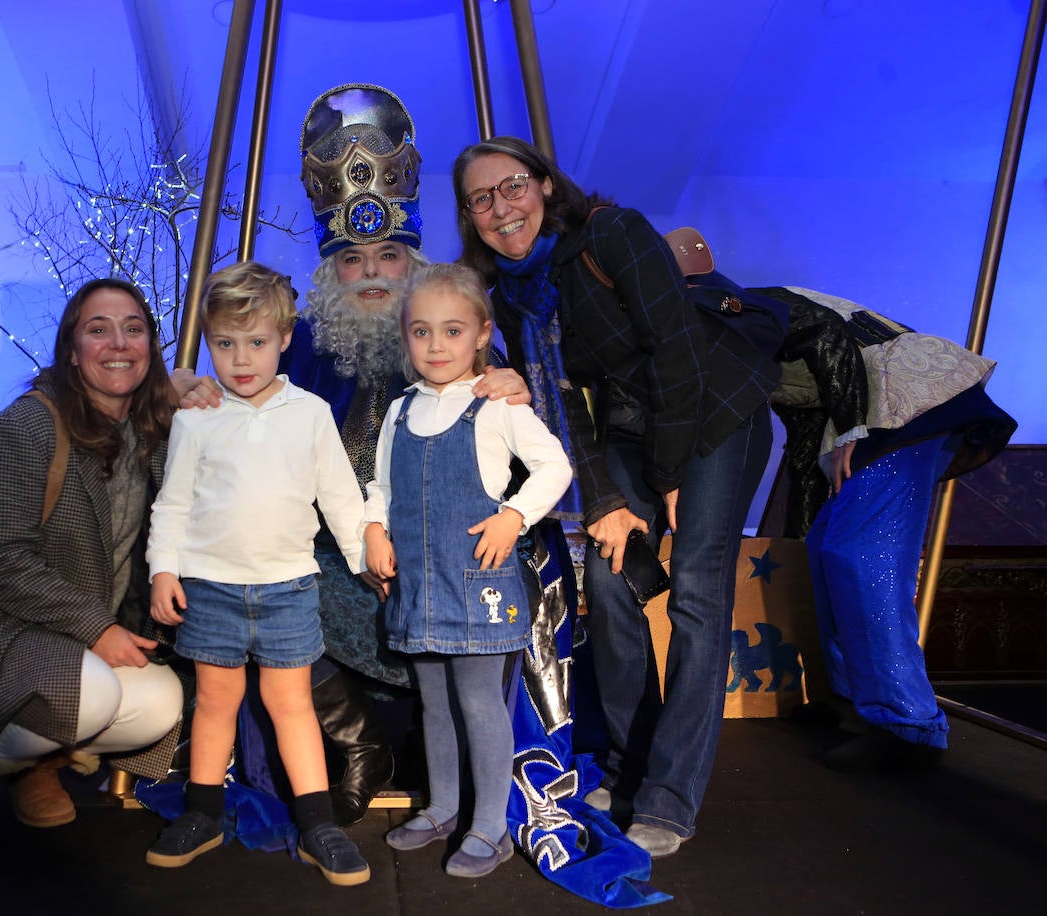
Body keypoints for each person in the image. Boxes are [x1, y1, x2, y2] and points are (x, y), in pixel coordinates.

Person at [453, 136, 778, 858]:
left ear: (543, 184)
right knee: (609, 576)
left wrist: (666, 480)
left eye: (511, 187)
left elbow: (677, 350)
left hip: (715, 410)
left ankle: (670, 796)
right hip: (635, 430)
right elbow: (561, 403)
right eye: (481, 199)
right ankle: (630, 769)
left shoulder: (611, 233)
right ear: (470, 216)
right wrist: (604, 504)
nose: (501, 208)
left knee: (695, 589)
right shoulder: (510, 294)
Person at [235, 83, 531, 827]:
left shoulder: (462, 350)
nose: (371, 274)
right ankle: (359, 739)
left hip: (446, 569)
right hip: (333, 568)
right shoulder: (294, 349)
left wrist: (511, 384)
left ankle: (468, 789)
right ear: (328, 274)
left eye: (390, 256)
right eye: (353, 259)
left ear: (416, 264)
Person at [0, 277, 205, 859]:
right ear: (71, 350)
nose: (118, 343)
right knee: (92, 695)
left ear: (151, 345)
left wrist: (197, 394)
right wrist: (97, 629)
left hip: (71, 628)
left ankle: (35, 763)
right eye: (97, 330)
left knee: (161, 703)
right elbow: (2, 560)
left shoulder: (151, 428)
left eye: (134, 328)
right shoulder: (23, 429)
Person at [144, 261, 370, 886]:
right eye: (225, 343)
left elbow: (341, 498)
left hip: (288, 588)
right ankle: (203, 812)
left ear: (285, 338)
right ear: (209, 342)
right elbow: (174, 503)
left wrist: (365, 558)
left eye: (257, 342)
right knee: (216, 703)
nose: (241, 359)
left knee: (291, 703)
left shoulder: (312, 413)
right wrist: (165, 570)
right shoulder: (196, 418)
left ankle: (319, 822)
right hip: (210, 587)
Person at [363, 263, 572, 878]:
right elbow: (379, 483)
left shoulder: (494, 406)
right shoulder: (399, 412)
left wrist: (514, 516)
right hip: (420, 587)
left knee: (479, 701)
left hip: (477, 582)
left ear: (481, 334)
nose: (435, 346)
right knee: (432, 702)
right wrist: (375, 527)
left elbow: (554, 467)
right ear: (405, 337)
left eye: (451, 331)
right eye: (421, 332)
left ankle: (491, 826)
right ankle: (444, 808)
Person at [757, 284, 1015, 770]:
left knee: (862, 552)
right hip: (876, 411)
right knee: (823, 548)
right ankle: (854, 705)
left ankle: (907, 725)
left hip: (908, 402)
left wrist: (852, 431)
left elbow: (825, 333)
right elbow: (806, 428)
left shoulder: (732, 302)